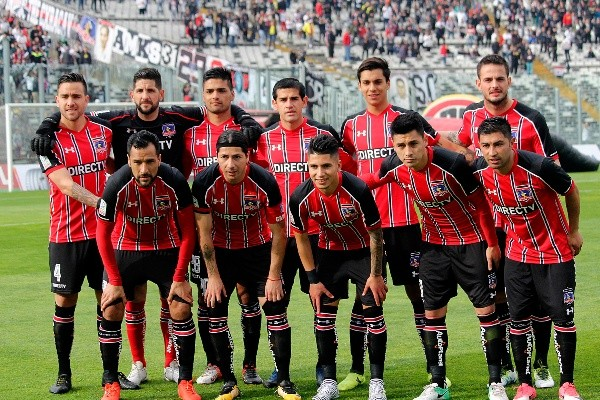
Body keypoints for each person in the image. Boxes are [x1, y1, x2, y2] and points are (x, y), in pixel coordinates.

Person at [31, 67, 263, 386]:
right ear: (132, 94)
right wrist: (46, 123)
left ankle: (172, 363)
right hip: (101, 232)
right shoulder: (109, 124)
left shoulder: (178, 118)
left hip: (169, 227)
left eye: (151, 90)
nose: (145, 96)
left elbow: (217, 103)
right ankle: (86, 371)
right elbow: (70, 165)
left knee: (169, 298)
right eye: (140, 91)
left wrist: (246, 118)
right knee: (112, 300)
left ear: (161, 94)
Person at [364, 112, 508, 400]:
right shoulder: (393, 165)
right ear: (393, 145)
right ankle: (438, 384)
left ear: (425, 141)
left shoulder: (451, 164)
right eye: (401, 145)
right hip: (432, 247)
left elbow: (481, 205)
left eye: (413, 144)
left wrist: (492, 245)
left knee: (486, 313)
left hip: (471, 243)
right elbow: (369, 182)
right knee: (431, 314)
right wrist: (335, 180)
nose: (407, 151)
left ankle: (496, 382)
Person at [339, 57, 462, 391]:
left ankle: (435, 369)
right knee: (363, 297)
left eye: (378, 81)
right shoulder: (351, 126)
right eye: (366, 82)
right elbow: (346, 168)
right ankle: (356, 370)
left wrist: (469, 157)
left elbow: (441, 146)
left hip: (409, 222)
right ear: (360, 85)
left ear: (388, 82)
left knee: (420, 297)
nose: (372, 88)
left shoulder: (407, 121)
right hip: (369, 226)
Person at [457, 54, 559, 389]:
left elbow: (553, 173)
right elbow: (464, 154)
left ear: (509, 80)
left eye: (500, 78)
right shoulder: (470, 117)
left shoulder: (531, 120)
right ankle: (505, 366)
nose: (494, 85)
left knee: (538, 298)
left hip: (531, 228)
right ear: (478, 83)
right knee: (497, 295)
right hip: (489, 227)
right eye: (488, 79)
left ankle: (541, 364)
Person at [252, 77, 356, 388]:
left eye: (294, 99)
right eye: (282, 99)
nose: (288, 105)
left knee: (325, 302)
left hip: (320, 236)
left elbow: (348, 172)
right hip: (279, 237)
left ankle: (326, 367)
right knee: (273, 303)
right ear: (274, 104)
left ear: (304, 101)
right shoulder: (263, 141)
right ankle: (279, 367)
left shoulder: (323, 136)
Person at [474, 117, 583, 400]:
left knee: (562, 316)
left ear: (511, 143)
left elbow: (571, 189)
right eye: (485, 146)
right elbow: (481, 208)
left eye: (498, 144)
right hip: (517, 254)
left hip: (555, 253)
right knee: (518, 318)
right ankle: (524, 385)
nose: (492, 152)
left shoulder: (540, 167)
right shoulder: (480, 172)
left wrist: (574, 231)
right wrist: (490, 243)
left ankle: (567, 385)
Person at [192, 130, 300, 400]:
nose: (230, 164)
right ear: (216, 157)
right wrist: (213, 276)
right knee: (214, 309)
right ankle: (229, 382)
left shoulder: (265, 181)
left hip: (258, 251)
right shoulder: (204, 182)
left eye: (237, 157)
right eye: (224, 157)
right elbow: (203, 234)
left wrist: (274, 275)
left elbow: (279, 232)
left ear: (247, 156)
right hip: (221, 254)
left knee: (275, 309)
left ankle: (284, 381)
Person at [95, 130, 200, 400]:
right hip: (125, 249)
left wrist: (179, 277)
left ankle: (185, 381)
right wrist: (115, 282)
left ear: (159, 159)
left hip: (166, 249)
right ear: (128, 160)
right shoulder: (115, 184)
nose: (144, 169)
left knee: (180, 305)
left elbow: (189, 232)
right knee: (111, 308)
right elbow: (102, 234)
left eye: (150, 162)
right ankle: (111, 384)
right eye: (138, 162)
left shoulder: (175, 180)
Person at [182, 67, 265, 387]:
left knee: (248, 298)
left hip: (246, 232)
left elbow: (258, 175)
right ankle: (216, 364)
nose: (216, 96)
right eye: (210, 91)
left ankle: (250, 365)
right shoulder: (191, 135)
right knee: (208, 300)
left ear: (232, 94)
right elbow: (183, 180)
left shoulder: (247, 132)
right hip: (206, 233)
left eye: (221, 91)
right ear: (203, 97)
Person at [288, 134, 388, 400]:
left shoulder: (358, 190)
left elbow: (376, 235)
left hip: (364, 254)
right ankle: (329, 382)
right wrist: (312, 279)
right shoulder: (299, 196)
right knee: (323, 318)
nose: (320, 173)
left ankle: (377, 383)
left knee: (373, 313)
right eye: (314, 167)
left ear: (338, 166)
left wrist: (376, 274)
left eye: (326, 166)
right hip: (329, 254)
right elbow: (301, 238)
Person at [36, 72, 117, 395]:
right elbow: (66, 185)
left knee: (109, 303)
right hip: (65, 236)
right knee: (65, 302)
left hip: (103, 237)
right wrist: (104, 203)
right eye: (65, 97)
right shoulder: (46, 140)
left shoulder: (104, 131)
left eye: (76, 96)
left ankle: (110, 374)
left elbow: (116, 162)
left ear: (86, 100)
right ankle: (64, 372)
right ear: (57, 101)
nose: (71, 102)